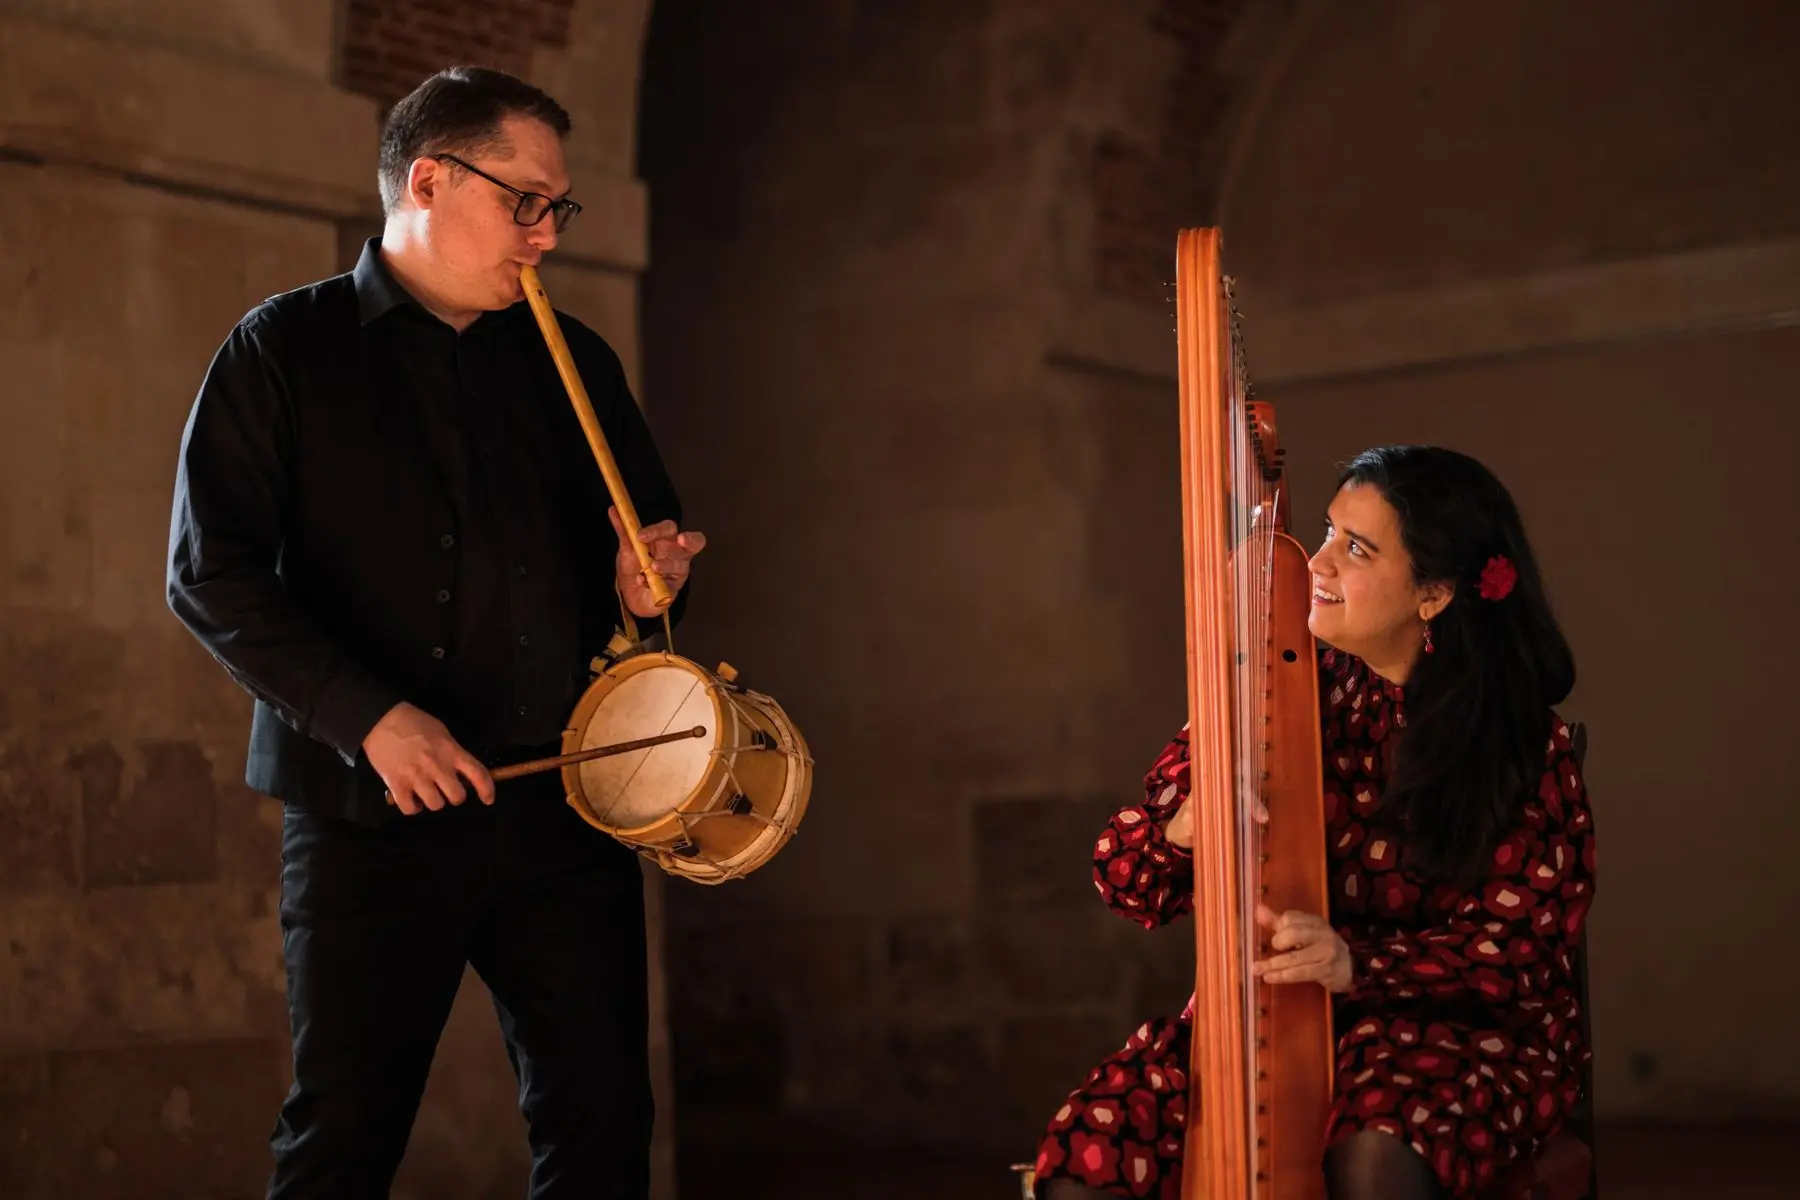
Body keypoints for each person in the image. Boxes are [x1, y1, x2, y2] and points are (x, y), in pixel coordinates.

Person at [164, 66, 704, 1199]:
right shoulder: (282, 349)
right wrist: (370, 719)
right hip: (369, 815)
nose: (546, 234)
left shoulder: (578, 359)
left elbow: (645, 570)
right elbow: (209, 574)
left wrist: (645, 593)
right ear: (427, 180)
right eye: (526, 202)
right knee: (343, 1139)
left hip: (567, 804)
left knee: (605, 1125)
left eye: (558, 207)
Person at [1030, 446, 1596, 1200]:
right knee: (1094, 1151)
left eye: (1356, 549)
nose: (1317, 563)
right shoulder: (1276, 689)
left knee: (1378, 1147)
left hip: (1462, 1035)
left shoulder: (1520, 742)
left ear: (1433, 594)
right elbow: (1124, 880)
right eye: (1328, 532)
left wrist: (1356, 965)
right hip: (1279, 1024)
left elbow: (1519, 950)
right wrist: (1187, 827)